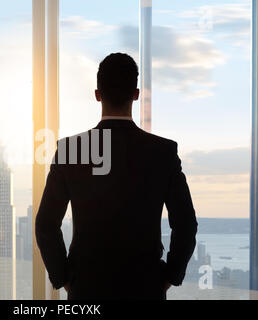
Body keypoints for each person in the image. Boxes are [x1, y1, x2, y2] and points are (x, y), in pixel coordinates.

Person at [35, 53, 197, 300]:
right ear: (136, 94)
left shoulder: (72, 150)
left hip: (87, 289)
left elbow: (46, 225)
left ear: (98, 94)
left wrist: (66, 279)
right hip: (146, 288)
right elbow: (185, 224)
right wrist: (168, 278)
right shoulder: (162, 152)